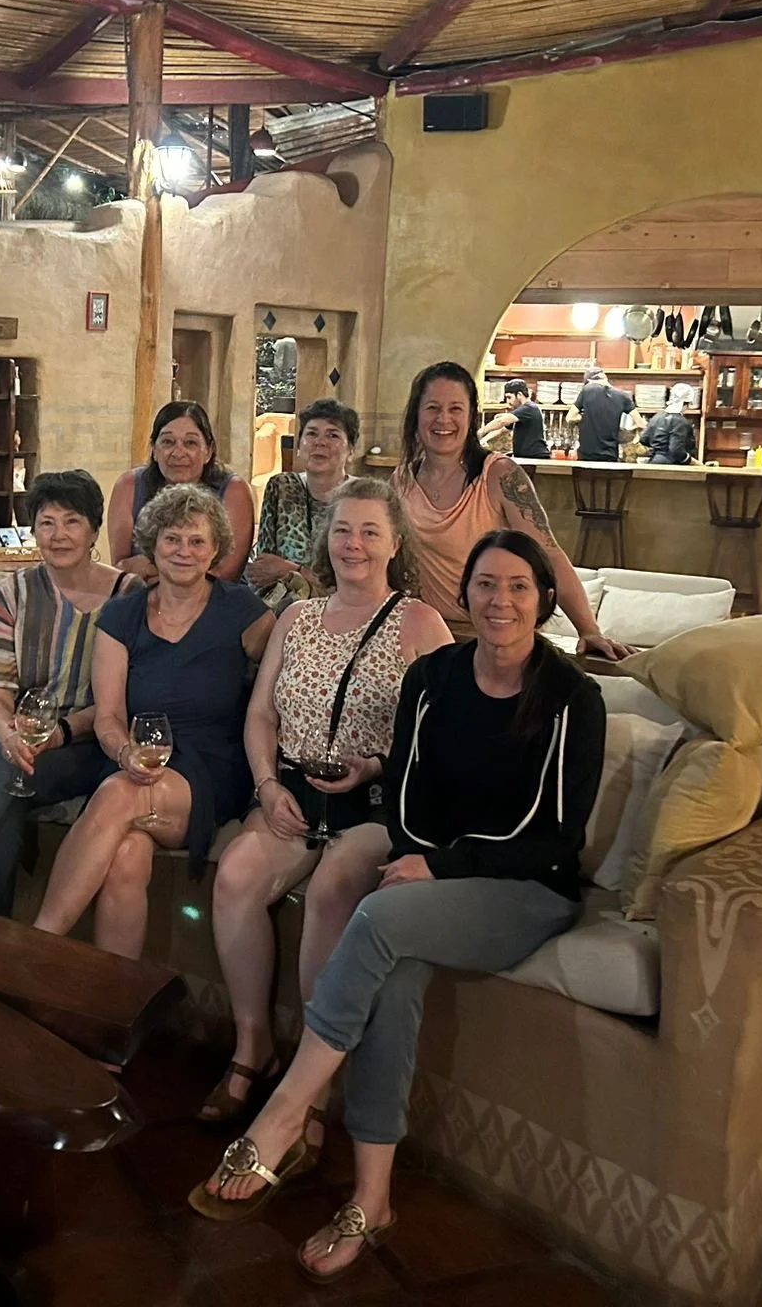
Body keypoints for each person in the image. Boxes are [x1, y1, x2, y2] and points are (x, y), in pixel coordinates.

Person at [191, 531, 605, 1281]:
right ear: (466, 594)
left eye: (517, 587)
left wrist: (439, 866)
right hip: (434, 877)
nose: (499, 600)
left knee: (377, 917)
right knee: (394, 979)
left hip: (527, 891)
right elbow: (408, 798)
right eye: (485, 584)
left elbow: (551, 836)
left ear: (544, 600)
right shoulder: (434, 679)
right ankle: (371, 1200)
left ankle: (286, 1111)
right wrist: (419, 859)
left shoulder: (574, 698)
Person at [204, 479, 451, 1149]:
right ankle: (252, 1046)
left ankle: (313, 1089)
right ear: (326, 539)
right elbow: (261, 716)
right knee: (234, 874)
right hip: (291, 797)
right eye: (343, 530)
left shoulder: (421, 624)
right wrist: (265, 786)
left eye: (371, 532)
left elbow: (439, 742)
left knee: (335, 885)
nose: (355, 545)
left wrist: (372, 767)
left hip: (373, 805)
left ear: (396, 543)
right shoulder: (297, 619)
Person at [33, 483, 273, 957]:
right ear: (152, 544)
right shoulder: (121, 616)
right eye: (172, 539)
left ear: (216, 550)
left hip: (209, 768)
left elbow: (279, 689)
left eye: (197, 541)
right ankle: (114, 1008)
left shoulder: (243, 612)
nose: (184, 551)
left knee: (121, 793)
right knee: (126, 856)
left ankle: (37, 945)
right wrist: (123, 751)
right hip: (132, 759)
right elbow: (107, 717)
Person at [0, 470, 133, 913]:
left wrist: (63, 732)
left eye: (71, 522)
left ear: (93, 529)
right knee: (4, 783)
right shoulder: (11, 593)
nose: (58, 535)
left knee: (0, 770)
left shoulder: (128, 595)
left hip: (90, 742)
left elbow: (123, 699)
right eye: (46, 523)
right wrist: (7, 731)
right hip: (14, 737)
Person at [391, 361, 625, 657]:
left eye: (455, 409)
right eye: (432, 408)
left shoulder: (499, 474)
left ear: (471, 416)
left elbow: (548, 552)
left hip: (496, 638)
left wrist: (588, 630)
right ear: (416, 414)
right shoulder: (401, 480)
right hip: (429, 637)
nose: (443, 419)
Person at [106, 400, 255, 583]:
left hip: (214, 602)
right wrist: (189, 570)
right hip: (142, 599)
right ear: (154, 450)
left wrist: (151, 567)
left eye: (190, 443)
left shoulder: (234, 490)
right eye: (168, 442)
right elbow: (120, 571)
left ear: (208, 451)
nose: (178, 452)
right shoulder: (129, 485)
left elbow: (224, 574)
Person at [244, 397, 358, 610]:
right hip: (285, 610)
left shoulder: (361, 499)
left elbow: (359, 581)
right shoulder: (282, 486)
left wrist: (290, 569)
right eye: (311, 433)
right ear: (299, 446)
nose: (320, 442)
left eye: (332, 435)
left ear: (351, 450)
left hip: (347, 611)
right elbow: (263, 571)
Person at [571, 366, 635, 462]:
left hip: (586, 455)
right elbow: (640, 423)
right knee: (607, 476)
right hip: (610, 455)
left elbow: (570, 418)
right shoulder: (623, 396)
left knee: (584, 476)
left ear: (589, 381)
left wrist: (584, 417)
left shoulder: (587, 391)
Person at [478, 378, 549, 460]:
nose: (508, 402)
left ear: (519, 395)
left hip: (535, 458)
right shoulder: (522, 413)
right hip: (528, 458)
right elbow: (503, 429)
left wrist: (481, 432)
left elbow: (502, 421)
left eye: (509, 397)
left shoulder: (529, 408)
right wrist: (484, 439)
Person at [643, 384, 698, 464]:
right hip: (672, 466)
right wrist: (693, 462)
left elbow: (644, 439)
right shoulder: (680, 422)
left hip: (654, 462)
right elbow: (676, 450)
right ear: (686, 403)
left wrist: (658, 447)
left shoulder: (657, 417)